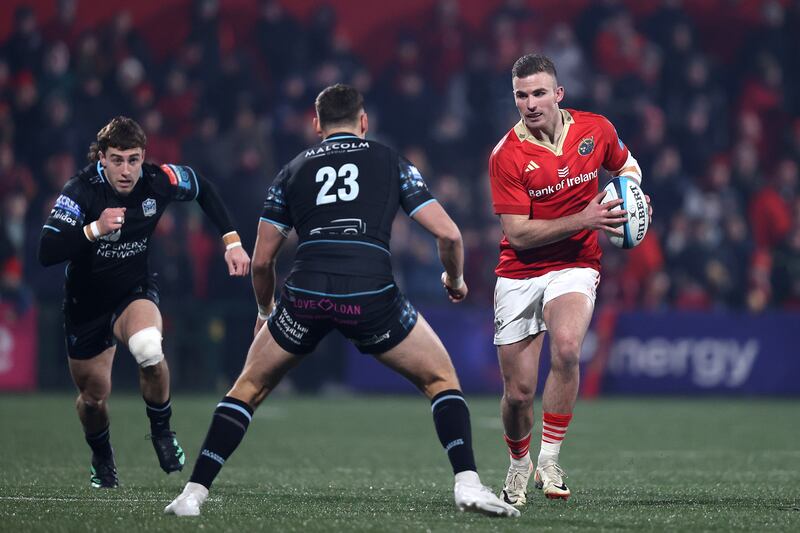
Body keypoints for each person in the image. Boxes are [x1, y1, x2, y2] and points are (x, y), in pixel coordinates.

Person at [165, 84, 519, 518]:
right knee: (440, 379)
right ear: (364, 122)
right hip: (370, 293)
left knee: (248, 388)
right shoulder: (389, 160)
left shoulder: (292, 170)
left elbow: (261, 262)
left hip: (306, 294)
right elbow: (448, 233)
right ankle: (466, 483)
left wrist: (265, 312)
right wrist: (456, 279)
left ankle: (193, 494)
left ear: (317, 124)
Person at [38, 116, 251, 488]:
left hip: (132, 292)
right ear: (101, 158)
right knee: (92, 399)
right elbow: (47, 250)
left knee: (149, 349)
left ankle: (162, 432)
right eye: (117, 159)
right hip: (85, 305)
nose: (126, 170)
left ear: (143, 157)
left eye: (133, 159)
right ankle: (102, 457)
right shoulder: (80, 191)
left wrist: (231, 241)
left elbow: (202, 187)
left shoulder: (158, 180)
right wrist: (95, 228)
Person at [488, 54, 651, 505]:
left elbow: (627, 166)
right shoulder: (506, 155)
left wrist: (634, 197)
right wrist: (585, 216)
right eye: (522, 95)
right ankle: (518, 462)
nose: (531, 103)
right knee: (518, 393)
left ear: (558, 93)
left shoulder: (595, 129)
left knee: (566, 347)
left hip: (576, 263)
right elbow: (517, 234)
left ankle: (550, 458)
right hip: (520, 272)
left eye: (539, 93)